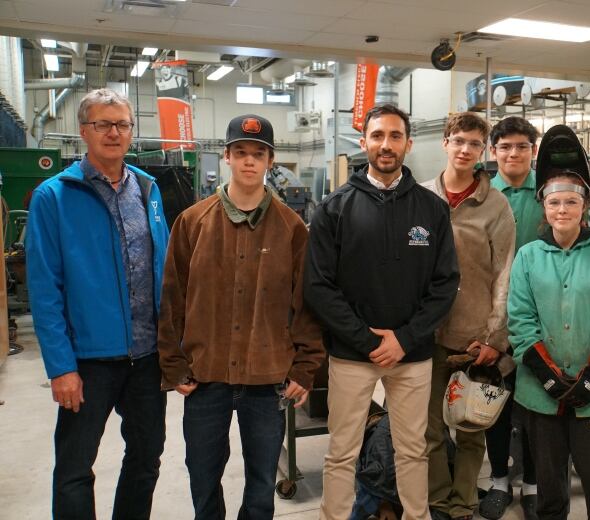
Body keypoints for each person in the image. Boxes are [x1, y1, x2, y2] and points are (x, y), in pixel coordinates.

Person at [157, 114, 325, 519]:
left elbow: (307, 305)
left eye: (259, 153)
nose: (250, 161)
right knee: (202, 475)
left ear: (271, 161)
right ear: (227, 157)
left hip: (266, 381)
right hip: (205, 378)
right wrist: (174, 364)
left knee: (262, 481)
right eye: (241, 152)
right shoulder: (192, 222)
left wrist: (304, 368)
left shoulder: (291, 229)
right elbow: (171, 298)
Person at [305, 103, 460, 520]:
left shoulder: (432, 209)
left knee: (413, 450)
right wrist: (369, 341)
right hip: (354, 354)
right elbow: (319, 287)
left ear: (408, 144)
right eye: (377, 136)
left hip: (412, 356)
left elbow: (446, 285)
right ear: (364, 143)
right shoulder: (334, 208)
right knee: (342, 451)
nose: (386, 145)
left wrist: (405, 339)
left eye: (394, 136)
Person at [26, 88, 169, 519]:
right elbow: (44, 289)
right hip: (87, 361)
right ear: (83, 132)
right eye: (103, 124)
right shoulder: (54, 196)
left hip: (146, 358)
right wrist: (61, 367)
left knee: (145, 461)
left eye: (122, 124)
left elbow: (163, 267)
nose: (114, 133)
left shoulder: (147, 189)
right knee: (74, 468)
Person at [509, 124, 590, 520]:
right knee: (549, 488)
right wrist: (547, 376)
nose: (562, 210)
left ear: (584, 206)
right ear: (544, 207)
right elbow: (520, 322)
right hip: (539, 392)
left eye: (570, 202)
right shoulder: (527, 256)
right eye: (554, 203)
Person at [422, 112, 516, 520]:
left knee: (471, 427)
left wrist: (495, 339)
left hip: (473, 335)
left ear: (484, 152)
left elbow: (505, 275)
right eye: (459, 140)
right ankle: (438, 500)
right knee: (429, 430)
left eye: (474, 144)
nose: (465, 150)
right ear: (445, 142)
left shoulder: (496, 206)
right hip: (424, 334)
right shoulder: (422, 197)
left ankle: (463, 504)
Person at [479, 116, 544, 520]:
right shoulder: (484, 196)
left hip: (542, 318)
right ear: (493, 152)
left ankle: (535, 481)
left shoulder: (551, 193)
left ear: (533, 151)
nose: (513, 153)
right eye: (505, 147)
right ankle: (500, 479)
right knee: (495, 400)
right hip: (494, 320)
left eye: (521, 146)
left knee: (536, 402)